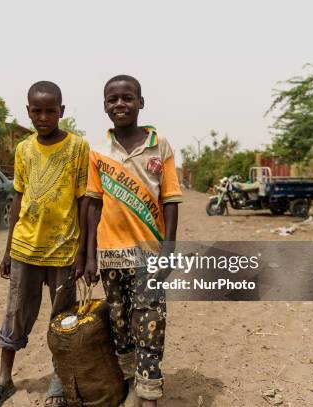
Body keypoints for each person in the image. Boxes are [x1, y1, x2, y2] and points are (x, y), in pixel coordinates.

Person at [0, 81, 89, 407]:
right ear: (27, 112)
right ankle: (3, 380)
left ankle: (58, 378)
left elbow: (83, 201)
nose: (43, 116)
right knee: (15, 314)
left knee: (62, 318)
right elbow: (18, 198)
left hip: (63, 250)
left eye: (50, 110)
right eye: (36, 111)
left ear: (61, 112)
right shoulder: (24, 149)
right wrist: (7, 249)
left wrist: (82, 250)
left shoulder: (78, 148)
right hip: (25, 248)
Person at [84, 75, 183, 406]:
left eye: (127, 98)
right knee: (120, 322)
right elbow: (93, 204)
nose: (120, 104)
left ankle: (149, 392)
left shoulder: (160, 146)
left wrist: (169, 251)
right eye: (113, 99)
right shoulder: (97, 152)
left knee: (150, 322)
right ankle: (129, 383)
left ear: (141, 103)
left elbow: (170, 200)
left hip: (149, 253)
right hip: (110, 254)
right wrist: (88, 257)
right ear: (104, 107)